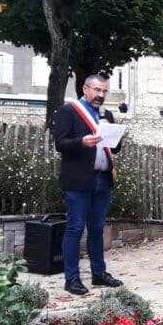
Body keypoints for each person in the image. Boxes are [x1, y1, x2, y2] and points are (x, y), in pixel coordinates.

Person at [54, 74, 124, 295]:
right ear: (85, 89)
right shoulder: (69, 111)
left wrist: (116, 136)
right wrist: (81, 142)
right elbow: (60, 143)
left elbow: (114, 149)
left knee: (96, 229)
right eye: (97, 90)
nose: (101, 95)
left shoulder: (106, 114)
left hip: (103, 179)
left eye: (104, 91)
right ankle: (72, 279)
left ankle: (98, 274)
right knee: (75, 228)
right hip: (78, 180)